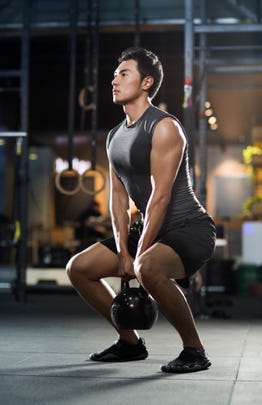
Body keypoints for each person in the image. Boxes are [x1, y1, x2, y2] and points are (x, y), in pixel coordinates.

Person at [66, 47, 216, 373]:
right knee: (79, 268)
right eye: (115, 74)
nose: (114, 80)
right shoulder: (114, 137)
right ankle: (130, 343)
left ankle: (195, 350)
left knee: (146, 267)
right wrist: (122, 251)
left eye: (124, 74)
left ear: (146, 82)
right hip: (150, 227)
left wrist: (137, 256)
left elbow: (160, 198)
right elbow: (118, 199)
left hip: (189, 227)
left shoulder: (164, 127)